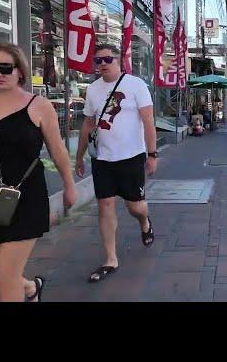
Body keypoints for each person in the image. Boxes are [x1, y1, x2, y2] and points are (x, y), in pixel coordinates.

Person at [0, 43, 77, 302]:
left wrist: (69, 185)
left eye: (5, 68)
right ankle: (31, 289)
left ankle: (22, 290)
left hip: (25, 196)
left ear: (20, 71)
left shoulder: (39, 106)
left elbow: (57, 150)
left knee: (7, 278)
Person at [75, 44, 157, 283]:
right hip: (102, 157)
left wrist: (152, 154)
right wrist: (79, 156)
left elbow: (149, 122)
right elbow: (88, 124)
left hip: (131, 156)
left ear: (119, 60)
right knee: (105, 204)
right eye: (97, 61)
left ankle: (144, 221)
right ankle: (110, 258)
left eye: (107, 59)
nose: (102, 65)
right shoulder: (92, 89)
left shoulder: (136, 85)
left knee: (135, 207)